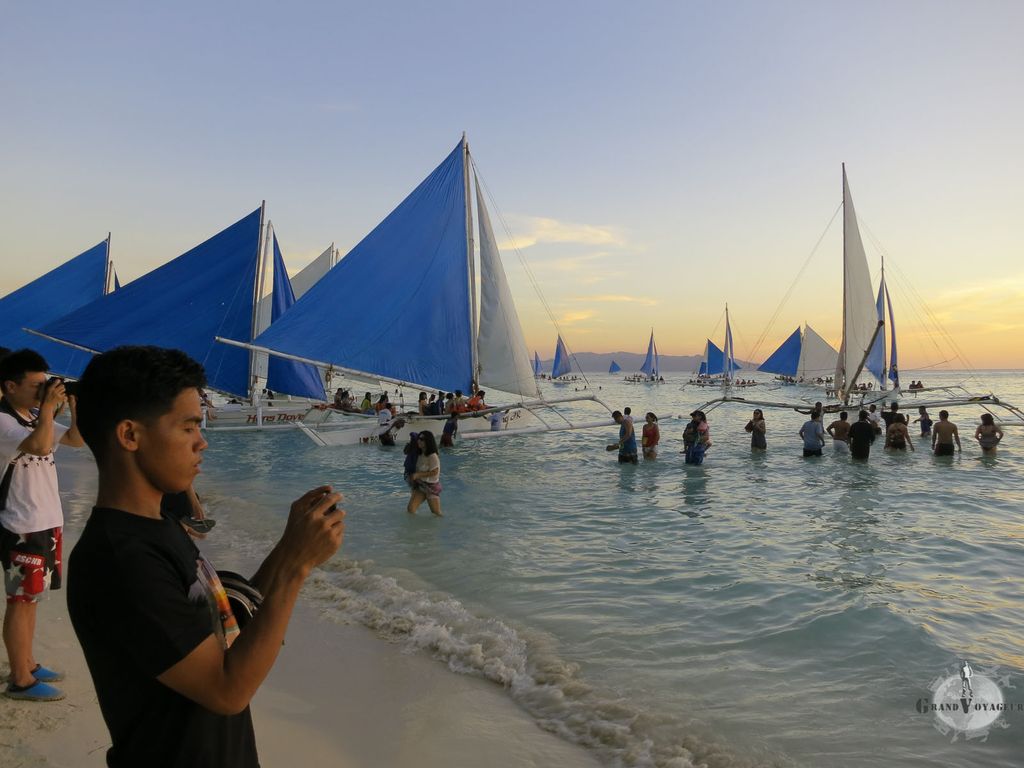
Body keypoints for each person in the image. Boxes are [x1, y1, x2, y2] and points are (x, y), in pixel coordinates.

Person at [67, 345, 344, 766]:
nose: (203, 443)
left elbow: (226, 625)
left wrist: (289, 547)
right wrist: (295, 567)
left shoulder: (157, 526)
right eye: (189, 427)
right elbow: (226, 690)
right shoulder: (120, 559)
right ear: (130, 435)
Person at [0, 350, 84, 701]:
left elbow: (75, 441)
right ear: (9, 386)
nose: (42, 391)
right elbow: (39, 444)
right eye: (36, 385)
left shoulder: (34, 415)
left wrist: (73, 406)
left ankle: (28, 663)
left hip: (46, 521)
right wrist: (48, 410)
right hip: (21, 524)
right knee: (19, 599)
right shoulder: (3, 421)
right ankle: (20, 679)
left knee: (31, 598)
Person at [407, 431, 442, 516]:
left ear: (428, 441)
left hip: (431, 487)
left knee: (436, 513)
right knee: (411, 509)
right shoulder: (419, 454)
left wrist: (418, 475)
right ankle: (414, 528)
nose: (419, 440)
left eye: (422, 439)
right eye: (418, 438)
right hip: (421, 486)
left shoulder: (432, 456)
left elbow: (435, 472)